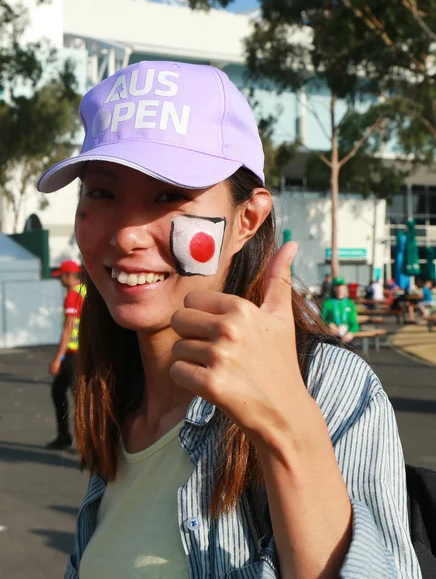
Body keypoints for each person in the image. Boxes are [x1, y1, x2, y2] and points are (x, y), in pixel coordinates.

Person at [37, 61, 421, 578]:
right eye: (102, 194)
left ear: (247, 220)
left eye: (170, 195)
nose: (127, 234)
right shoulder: (115, 397)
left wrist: (288, 429)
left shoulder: (329, 386)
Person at [47, 259, 86, 450]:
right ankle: (68, 437)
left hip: (73, 354)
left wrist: (57, 359)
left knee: (78, 399)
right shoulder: (86, 291)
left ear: (69, 277)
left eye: (61, 276)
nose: (60, 280)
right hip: (83, 353)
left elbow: (68, 329)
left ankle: (85, 444)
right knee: (63, 392)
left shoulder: (72, 296)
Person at [320, 276, 360, 344]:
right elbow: (320, 321)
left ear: (345, 287)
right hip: (331, 338)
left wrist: (351, 333)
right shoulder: (327, 303)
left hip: (347, 338)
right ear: (333, 288)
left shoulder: (349, 303)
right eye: (337, 287)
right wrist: (329, 326)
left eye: (341, 286)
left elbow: (355, 324)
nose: (339, 289)